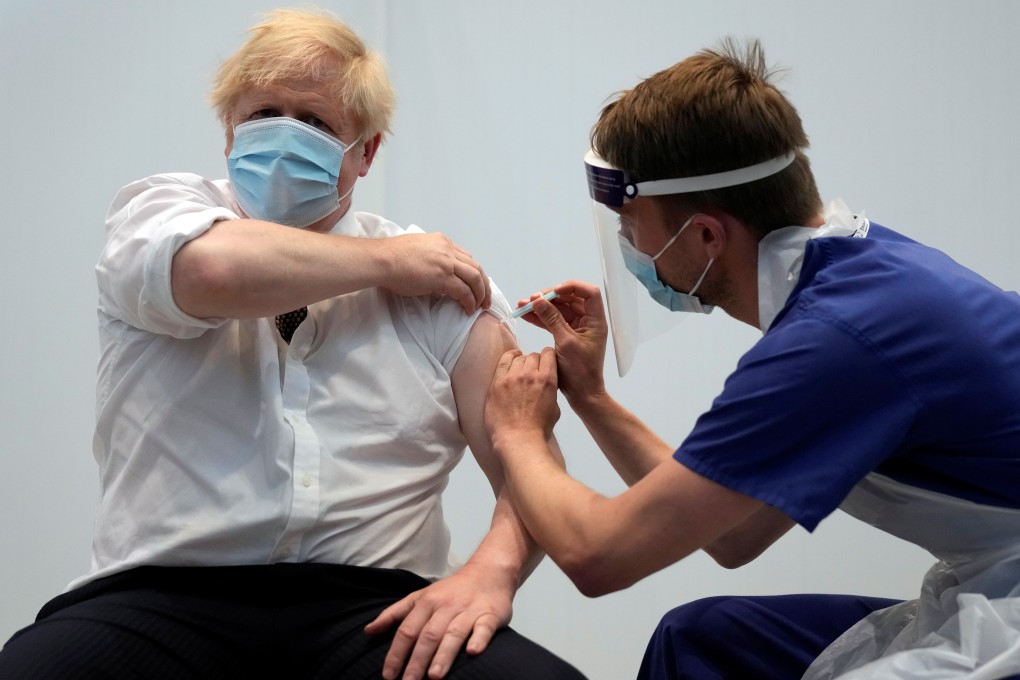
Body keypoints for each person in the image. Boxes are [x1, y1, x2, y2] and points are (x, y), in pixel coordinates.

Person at [0, 8, 585, 680]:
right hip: (161, 599)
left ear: (366, 152)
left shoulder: (440, 285)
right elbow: (211, 272)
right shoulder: (159, 216)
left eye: (313, 122)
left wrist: (492, 572)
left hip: (375, 608)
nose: (283, 136)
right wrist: (386, 263)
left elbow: (529, 463)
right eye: (263, 113)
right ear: (228, 132)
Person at [483, 38, 1020, 679]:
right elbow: (732, 533)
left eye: (631, 224)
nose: (627, 245)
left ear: (708, 234)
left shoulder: (836, 341)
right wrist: (591, 398)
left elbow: (599, 556)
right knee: (704, 639)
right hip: (994, 579)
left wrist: (517, 432)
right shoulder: (857, 273)